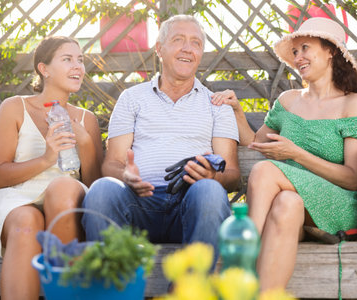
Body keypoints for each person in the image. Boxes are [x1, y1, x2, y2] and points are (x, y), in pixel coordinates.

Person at [211, 17, 357, 292]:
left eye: (306, 48)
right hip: (297, 209)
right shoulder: (288, 101)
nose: (298, 57)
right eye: (295, 51)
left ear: (331, 50)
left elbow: (353, 178)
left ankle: (240, 260)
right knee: (287, 203)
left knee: (264, 170)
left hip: (337, 207)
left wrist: (296, 154)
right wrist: (237, 111)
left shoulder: (353, 103)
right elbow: (254, 142)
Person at [82, 15, 240, 265]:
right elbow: (111, 164)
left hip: (190, 206)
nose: (188, 48)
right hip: (137, 204)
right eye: (179, 40)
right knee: (102, 190)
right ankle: (113, 288)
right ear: (159, 49)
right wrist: (126, 176)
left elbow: (232, 174)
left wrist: (212, 176)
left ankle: (189, 291)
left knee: (210, 191)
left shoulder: (216, 105)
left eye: (196, 43)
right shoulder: (132, 98)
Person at [0, 36, 103, 300]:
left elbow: (94, 184)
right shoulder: (15, 107)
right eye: (67, 59)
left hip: (65, 202)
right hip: (16, 199)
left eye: (80, 60)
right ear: (44, 69)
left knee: (63, 188)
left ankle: (63, 293)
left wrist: (86, 142)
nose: (78, 66)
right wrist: (46, 159)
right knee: (27, 222)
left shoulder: (86, 120)